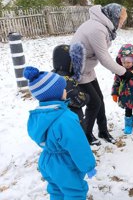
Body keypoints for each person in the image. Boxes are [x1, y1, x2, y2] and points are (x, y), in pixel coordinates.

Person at [23, 66, 96, 200]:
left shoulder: (37, 115)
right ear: (56, 93)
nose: (65, 91)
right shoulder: (65, 118)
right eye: (63, 88)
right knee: (75, 192)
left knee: (56, 190)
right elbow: (78, 145)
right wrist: (88, 166)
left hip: (47, 161)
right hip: (64, 164)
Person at [70, 3, 133, 145]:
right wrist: (124, 73)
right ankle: (86, 134)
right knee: (94, 103)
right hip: (79, 71)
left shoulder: (101, 26)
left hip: (88, 69)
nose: (121, 24)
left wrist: (117, 68)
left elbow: (102, 54)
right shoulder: (97, 29)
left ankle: (103, 130)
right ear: (114, 17)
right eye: (121, 21)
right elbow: (104, 58)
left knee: (99, 100)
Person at [52, 44, 89, 130]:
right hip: (72, 119)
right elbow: (78, 100)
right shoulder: (68, 81)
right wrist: (87, 97)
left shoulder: (52, 75)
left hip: (56, 119)